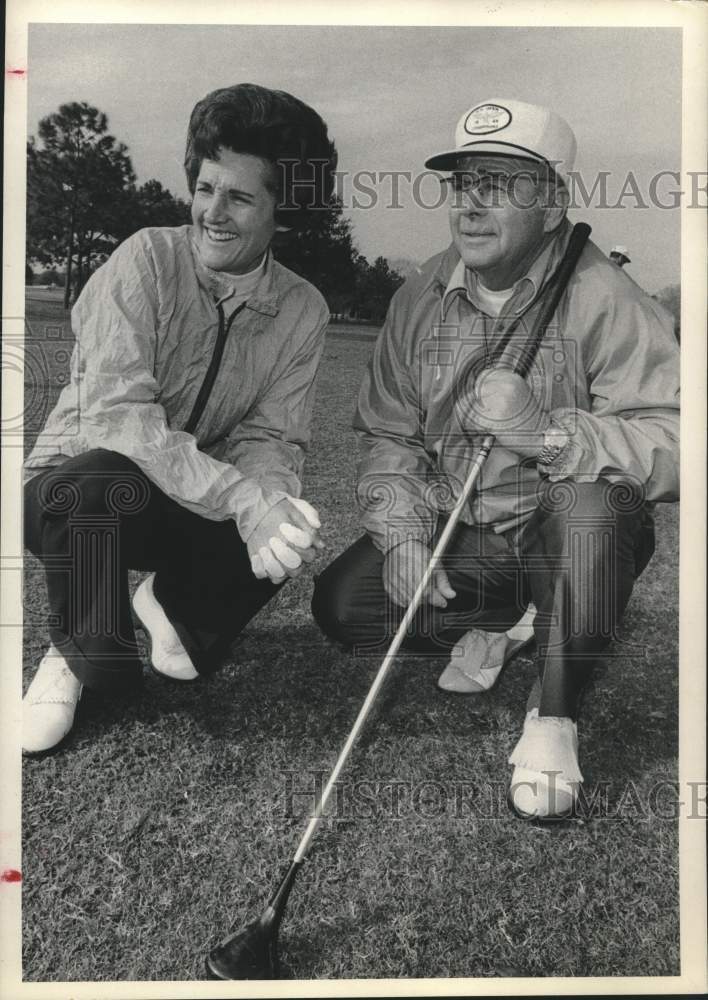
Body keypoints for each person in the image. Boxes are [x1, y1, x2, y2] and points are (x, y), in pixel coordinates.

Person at [312, 99, 679, 819]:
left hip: (566, 531)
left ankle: (554, 714)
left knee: (591, 507)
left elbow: (677, 435)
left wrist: (547, 434)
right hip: (469, 535)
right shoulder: (419, 293)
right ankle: (513, 619)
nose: (471, 205)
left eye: (501, 184)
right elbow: (391, 434)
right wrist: (403, 535)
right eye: (461, 183)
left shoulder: (608, 297)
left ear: (551, 204)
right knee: (345, 608)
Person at [23, 83, 337, 755]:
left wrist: (271, 501)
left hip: (186, 499)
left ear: (285, 211)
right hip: (78, 488)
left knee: (290, 523)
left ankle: (166, 602)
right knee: (98, 494)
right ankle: (73, 649)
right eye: (204, 188)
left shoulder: (304, 308)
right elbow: (119, 419)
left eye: (240, 197)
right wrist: (242, 499)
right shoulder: (144, 259)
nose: (212, 214)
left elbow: (271, 437)